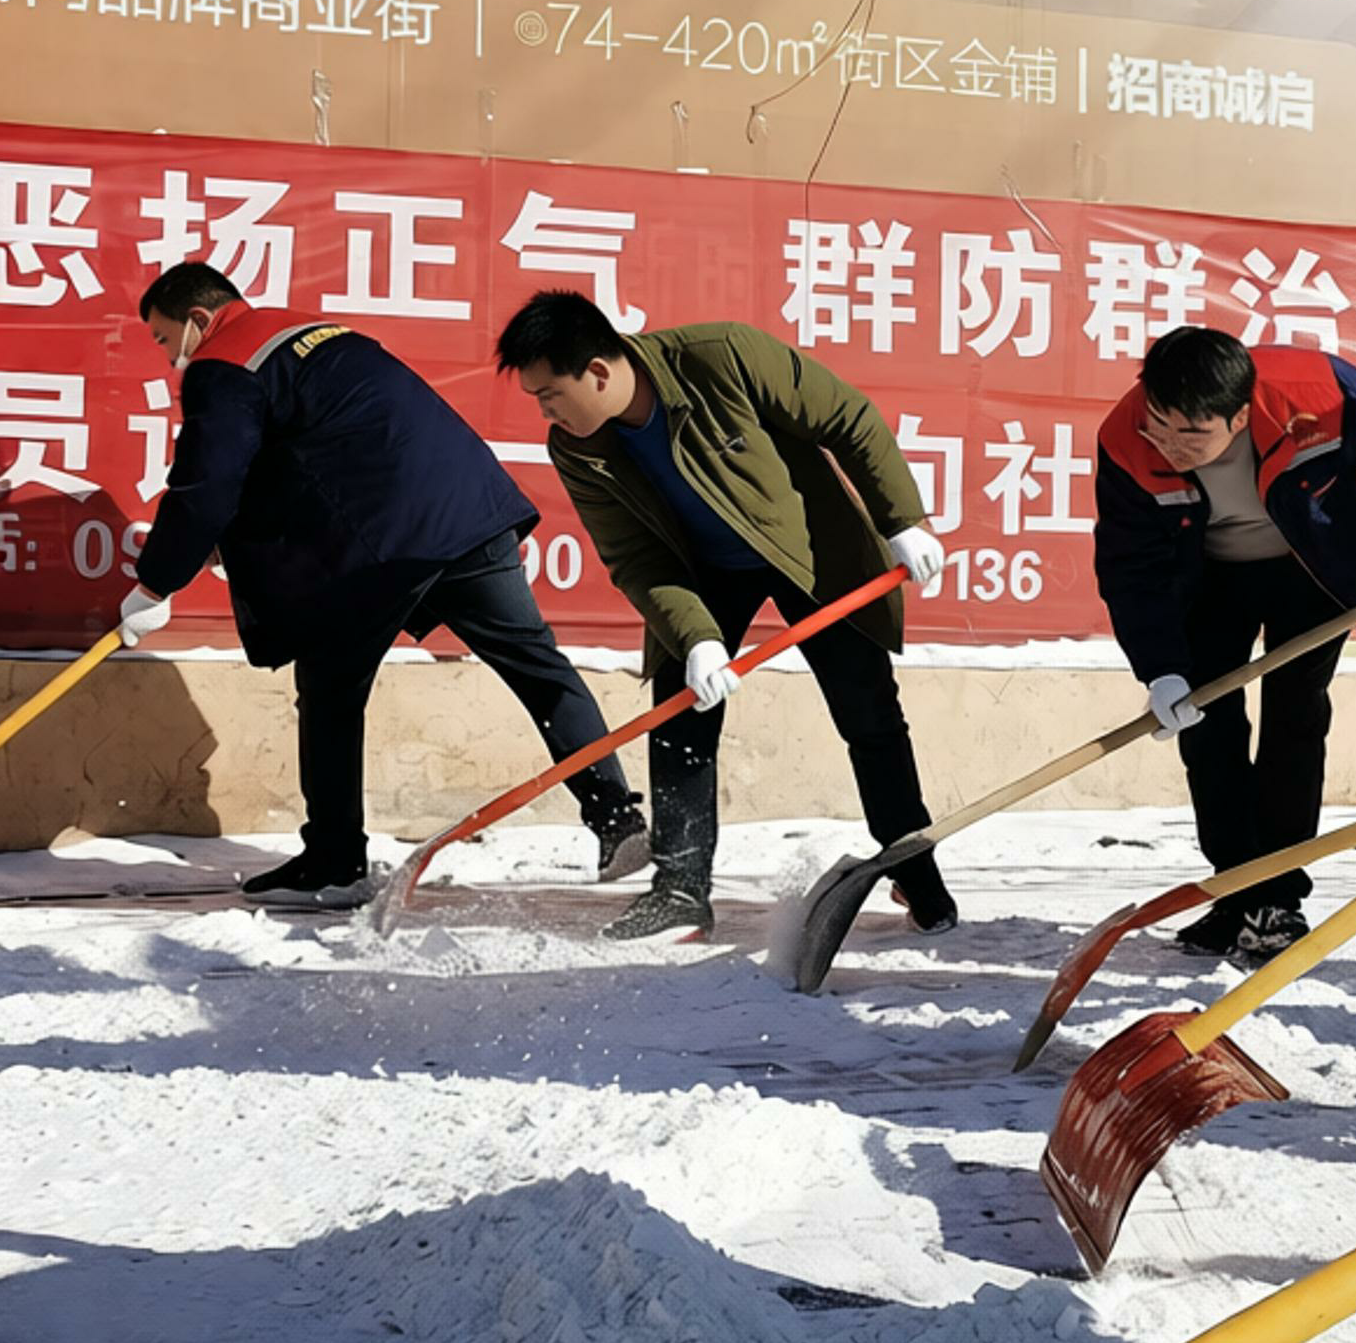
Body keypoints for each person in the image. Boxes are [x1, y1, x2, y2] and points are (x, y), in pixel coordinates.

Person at [120, 262, 647, 907]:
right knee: (538, 667)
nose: (168, 355)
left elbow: (205, 484)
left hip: (387, 546)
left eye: (164, 337)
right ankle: (618, 819)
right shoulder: (316, 334)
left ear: (199, 319)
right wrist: (226, 539)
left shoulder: (224, 360)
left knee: (330, 693)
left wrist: (155, 584)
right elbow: (312, 455)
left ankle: (334, 861)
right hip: (468, 511)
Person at [494, 292, 950, 942]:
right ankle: (679, 889)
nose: (546, 411)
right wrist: (699, 639)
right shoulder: (578, 449)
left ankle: (914, 866)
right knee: (681, 713)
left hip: (808, 552)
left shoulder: (723, 357)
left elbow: (847, 417)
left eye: (550, 394)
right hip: (702, 575)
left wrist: (902, 518)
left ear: (596, 372)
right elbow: (635, 557)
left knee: (868, 711)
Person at [1092, 326, 1356, 964]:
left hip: (1309, 567)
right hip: (1206, 578)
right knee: (1206, 722)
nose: (1168, 443)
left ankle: (1278, 896)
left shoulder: (1318, 395)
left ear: (1239, 416)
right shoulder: (1124, 436)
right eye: (1158, 423)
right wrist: (1161, 670)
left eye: (1190, 433)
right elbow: (1129, 565)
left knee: (1294, 714)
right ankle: (1235, 891)